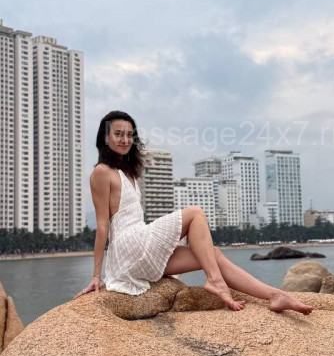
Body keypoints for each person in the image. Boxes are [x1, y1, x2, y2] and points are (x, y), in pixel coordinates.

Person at [73, 110, 313, 316]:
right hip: (128, 247)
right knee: (196, 213)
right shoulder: (101, 172)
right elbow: (103, 226)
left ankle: (274, 295)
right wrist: (97, 276)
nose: (125, 139)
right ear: (105, 138)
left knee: (212, 254)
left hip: (138, 249)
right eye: (118, 134)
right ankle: (215, 280)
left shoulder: (128, 172)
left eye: (129, 134)